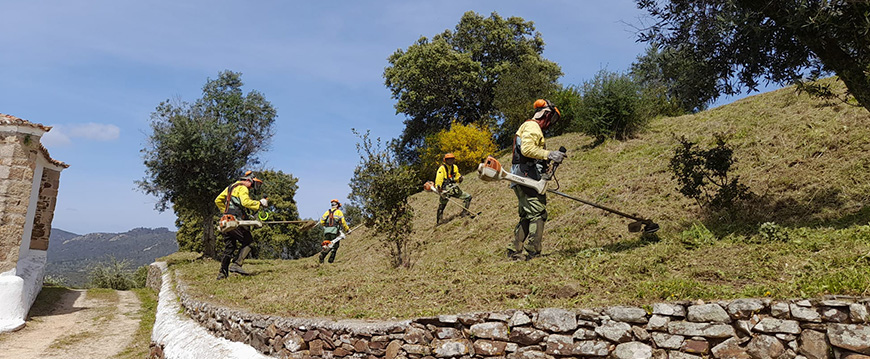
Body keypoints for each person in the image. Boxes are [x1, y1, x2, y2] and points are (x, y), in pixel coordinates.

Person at [508, 99, 567, 261]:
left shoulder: (530, 127)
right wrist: (549, 154)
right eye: (553, 118)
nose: (551, 123)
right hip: (527, 177)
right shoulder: (532, 126)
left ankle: (514, 250)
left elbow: (532, 153)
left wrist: (546, 162)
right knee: (538, 214)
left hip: (523, 176)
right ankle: (532, 252)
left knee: (528, 215)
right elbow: (527, 150)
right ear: (546, 114)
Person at [214, 171, 268, 279]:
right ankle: (236, 265)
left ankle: (222, 273)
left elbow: (218, 200)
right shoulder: (243, 188)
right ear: (248, 180)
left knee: (230, 246)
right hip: (236, 221)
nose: (252, 187)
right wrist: (259, 203)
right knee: (248, 242)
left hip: (226, 220)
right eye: (253, 184)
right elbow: (245, 202)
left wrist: (225, 211)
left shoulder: (230, 187)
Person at [434, 153, 473, 224]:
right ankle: (439, 221)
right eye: (449, 159)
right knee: (442, 205)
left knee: (468, 197)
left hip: (453, 188)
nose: (451, 161)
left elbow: (456, 176)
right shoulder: (442, 168)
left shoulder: (455, 167)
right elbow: (439, 179)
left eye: (452, 159)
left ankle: (464, 213)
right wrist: (439, 188)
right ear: (445, 160)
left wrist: (459, 179)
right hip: (445, 190)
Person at [319, 199, 350, 264]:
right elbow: (343, 222)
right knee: (335, 245)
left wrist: (327, 226)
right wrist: (347, 229)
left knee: (326, 244)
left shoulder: (327, 212)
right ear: (337, 205)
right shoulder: (339, 212)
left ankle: (322, 256)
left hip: (327, 231)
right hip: (334, 231)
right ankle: (331, 261)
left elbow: (322, 222)